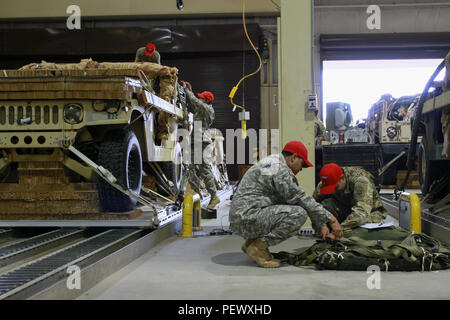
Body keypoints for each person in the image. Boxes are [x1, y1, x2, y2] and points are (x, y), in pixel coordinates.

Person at [229, 141, 343, 268]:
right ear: (294, 158)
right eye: (302, 164)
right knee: (298, 214)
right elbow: (300, 198)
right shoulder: (279, 169)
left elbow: (291, 199)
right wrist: (331, 219)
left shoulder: (274, 163)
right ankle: (258, 248)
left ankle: (250, 244)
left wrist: (321, 223)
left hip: (244, 216)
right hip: (246, 218)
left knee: (287, 206)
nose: (301, 169)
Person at [179, 81, 220, 210]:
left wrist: (186, 90)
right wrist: (189, 91)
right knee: (189, 166)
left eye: (202, 98)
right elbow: (194, 103)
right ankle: (196, 192)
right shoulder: (204, 109)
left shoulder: (207, 109)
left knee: (203, 168)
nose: (200, 99)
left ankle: (213, 196)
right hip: (198, 139)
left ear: (207, 101)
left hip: (201, 140)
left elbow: (194, 101)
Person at [313, 163, 387, 229]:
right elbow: (314, 207)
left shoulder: (361, 181)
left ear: (342, 178)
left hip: (369, 212)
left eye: (335, 188)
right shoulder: (325, 182)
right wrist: (321, 226)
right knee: (326, 204)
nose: (333, 191)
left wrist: (341, 228)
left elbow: (362, 212)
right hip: (346, 209)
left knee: (361, 228)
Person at [135, 43, 171, 140]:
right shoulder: (140, 51)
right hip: (141, 70)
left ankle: (161, 130)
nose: (148, 55)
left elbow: (157, 69)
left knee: (151, 86)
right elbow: (136, 64)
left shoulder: (156, 55)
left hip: (151, 73)